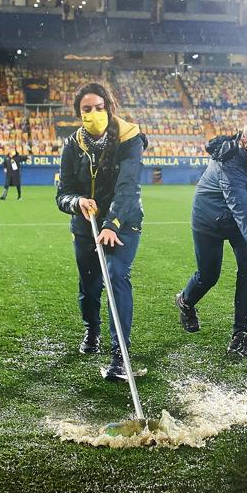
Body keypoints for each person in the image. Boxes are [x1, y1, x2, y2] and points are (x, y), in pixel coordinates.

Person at [55, 83, 147, 381]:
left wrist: (111, 223)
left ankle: (120, 356)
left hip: (123, 222)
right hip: (85, 226)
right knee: (90, 285)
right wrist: (77, 201)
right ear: (78, 113)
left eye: (99, 107)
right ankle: (91, 330)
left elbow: (128, 185)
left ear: (109, 107)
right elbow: (62, 194)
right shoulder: (72, 145)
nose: (94, 113)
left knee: (116, 274)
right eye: (86, 109)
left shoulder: (129, 138)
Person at [175, 114, 247, 358]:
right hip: (209, 220)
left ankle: (240, 335)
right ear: (244, 142)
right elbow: (242, 206)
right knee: (209, 275)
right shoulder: (229, 162)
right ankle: (185, 301)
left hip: (237, 223)